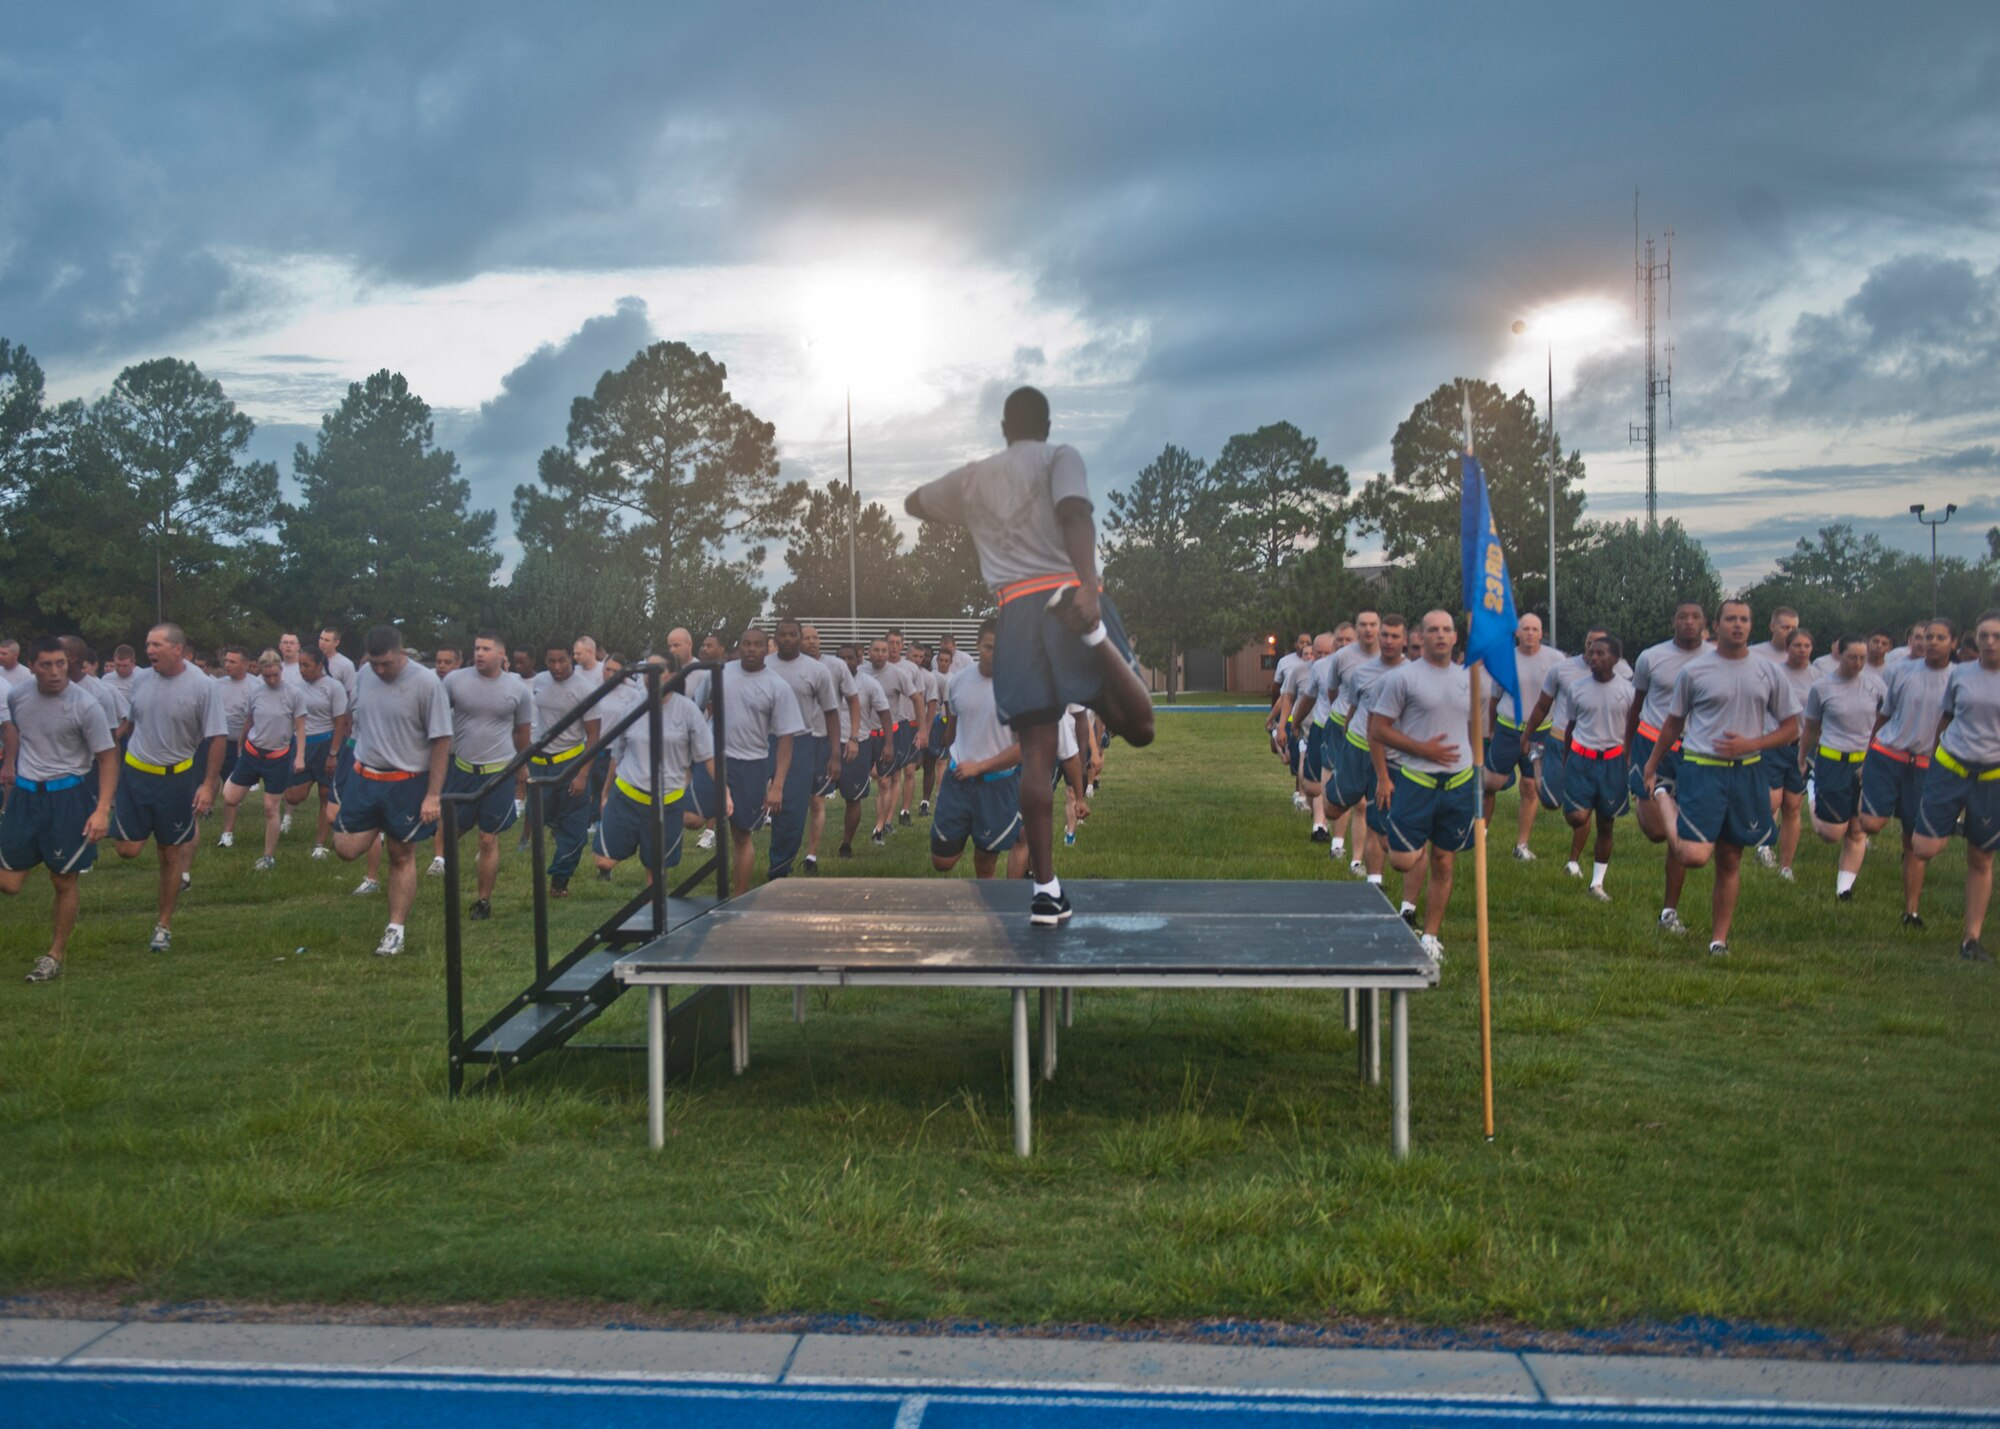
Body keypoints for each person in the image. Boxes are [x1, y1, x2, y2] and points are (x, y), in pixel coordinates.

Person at [905, 385, 1154, 925]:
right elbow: (1073, 512)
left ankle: (1046, 890)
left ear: (1003, 428)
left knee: (1036, 753)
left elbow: (914, 502)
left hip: (1015, 612)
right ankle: (1091, 637)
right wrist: (1088, 586)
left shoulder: (975, 477)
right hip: (1067, 593)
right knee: (1141, 728)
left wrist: (975, 511)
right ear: (1045, 424)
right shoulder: (1061, 456)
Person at [1641, 599, 1800, 956]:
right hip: (1702, 769)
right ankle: (1665, 796)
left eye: (1744, 619)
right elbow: (1673, 723)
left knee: (1730, 858)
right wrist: (1652, 765)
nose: (1738, 625)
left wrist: (1753, 743)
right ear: (1717, 624)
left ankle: (1718, 940)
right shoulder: (1695, 671)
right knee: (1693, 855)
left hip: (1747, 773)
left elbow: (1792, 727)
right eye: (1731, 619)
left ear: (1752, 625)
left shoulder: (1768, 671)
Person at [1, 637, 119, 982]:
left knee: (62, 878)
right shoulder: (18, 696)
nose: (55, 672)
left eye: (60, 664)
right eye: (46, 665)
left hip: (67, 798)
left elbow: (108, 758)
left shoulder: (86, 706)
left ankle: (54, 955)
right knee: (9, 883)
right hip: (24, 796)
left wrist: (102, 809)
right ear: (32, 667)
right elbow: (25, 735)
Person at [332, 625, 454, 957]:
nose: (380, 670)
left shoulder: (426, 683)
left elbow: (442, 740)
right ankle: (383, 825)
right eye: (375, 663)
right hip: (365, 776)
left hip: (407, 781)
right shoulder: (365, 674)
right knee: (344, 848)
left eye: (386, 663)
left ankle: (395, 930)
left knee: (401, 854)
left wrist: (432, 795)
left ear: (401, 653)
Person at [112, 623, 228, 952]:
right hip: (135, 774)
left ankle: (163, 924)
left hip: (176, 779)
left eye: (157, 645)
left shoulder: (203, 687)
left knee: (169, 854)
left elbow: (217, 737)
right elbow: (132, 721)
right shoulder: (141, 679)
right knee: (127, 849)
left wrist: (207, 785)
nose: (149, 650)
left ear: (177, 649)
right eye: (148, 644)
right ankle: (151, 825)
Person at [1367, 610, 1474, 962]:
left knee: (1444, 860)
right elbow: (1379, 729)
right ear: (1422, 637)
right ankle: (1413, 853)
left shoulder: (1470, 678)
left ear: (1455, 637)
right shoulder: (1404, 679)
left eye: (1446, 629)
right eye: (1432, 630)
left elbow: (1478, 725)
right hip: (1416, 780)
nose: (1440, 635)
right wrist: (1422, 749)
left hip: (1459, 782)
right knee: (1403, 860)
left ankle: (1430, 936)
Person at [1912, 609, 2000, 963]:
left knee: (1981, 857)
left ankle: (1971, 940)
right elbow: (1945, 718)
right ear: (1974, 640)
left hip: (1992, 777)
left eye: (1997, 636)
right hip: (1950, 767)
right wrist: (1933, 758)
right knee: (1925, 849)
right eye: (1984, 636)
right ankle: (1953, 821)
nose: (1991, 642)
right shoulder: (1961, 673)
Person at [1859, 618, 1957, 931]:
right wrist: (1868, 749)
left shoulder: (1958, 678)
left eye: (1940, 637)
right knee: (1872, 824)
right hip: (1889, 753)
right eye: (1928, 637)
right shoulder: (1902, 671)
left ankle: (1911, 912)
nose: (1932, 642)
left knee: (1915, 843)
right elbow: (1884, 714)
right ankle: (1861, 794)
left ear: (1952, 643)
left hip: (1926, 764)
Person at [1626, 601, 1711, 936]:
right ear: (1672, 621)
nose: (1688, 622)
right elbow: (1636, 706)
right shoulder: (1651, 657)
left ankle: (1669, 911)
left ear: (1705, 624)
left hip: (1695, 749)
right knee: (1657, 831)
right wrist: (1627, 749)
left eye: (1695, 617)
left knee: (1679, 835)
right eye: (1682, 617)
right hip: (1651, 743)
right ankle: (1653, 795)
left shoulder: (1715, 659)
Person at [591, 656, 715, 883]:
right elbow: (617, 755)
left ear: (673, 675)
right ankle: (630, 842)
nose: (650, 676)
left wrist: (724, 791)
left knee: (655, 869)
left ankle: (654, 912)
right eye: (647, 671)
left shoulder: (687, 711)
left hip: (667, 800)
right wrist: (605, 793)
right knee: (603, 861)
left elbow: (707, 756)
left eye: (657, 671)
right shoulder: (632, 708)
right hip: (627, 794)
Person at [441, 631, 533, 921]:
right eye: (477, 648)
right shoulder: (455, 681)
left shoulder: (518, 690)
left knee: (488, 839)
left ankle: (483, 901)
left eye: (486, 649)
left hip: (498, 773)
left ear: (501, 655)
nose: (479, 653)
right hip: (462, 770)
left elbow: (522, 732)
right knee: (449, 833)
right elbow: (438, 722)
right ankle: (443, 880)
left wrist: (522, 765)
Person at [1328, 616, 1413, 912]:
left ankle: (1374, 880)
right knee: (1331, 808)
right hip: (1355, 746)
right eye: (1384, 635)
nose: (1387, 640)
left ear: (1403, 640)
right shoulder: (1361, 673)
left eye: (1393, 636)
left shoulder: (1411, 675)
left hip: (1390, 758)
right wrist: (1346, 738)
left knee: (1378, 823)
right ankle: (1339, 787)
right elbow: (1350, 706)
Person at [931, 621, 1026, 878]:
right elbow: (955, 713)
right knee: (942, 860)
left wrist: (980, 766)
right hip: (957, 780)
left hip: (997, 784)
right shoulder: (959, 681)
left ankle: (988, 909)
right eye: (989, 647)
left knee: (985, 862)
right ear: (977, 646)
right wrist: (950, 740)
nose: (995, 653)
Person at [1799, 634, 1887, 901]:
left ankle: (1844, 889)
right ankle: (1813, 788)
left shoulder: (1876, 685)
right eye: (1852, 657)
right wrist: (1802, 757)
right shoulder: (1822, 687)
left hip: (1865, 761)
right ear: (1840, 655)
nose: (1858, 663)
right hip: (1831, 760)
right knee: (1831, 833)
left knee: (1858, 827)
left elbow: (1884, 721)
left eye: (1862, 658)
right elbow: (1812, 727)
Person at [719, 627, 805, 892]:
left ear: (767, 648)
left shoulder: (777, 686)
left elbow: (786, 739)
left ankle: (738, 898)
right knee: (690, 818)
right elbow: (699, 707)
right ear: (740, 646)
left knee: (741, 834)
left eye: (758, 645)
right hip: (716, 759)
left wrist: (777, 785)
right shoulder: (722, 674)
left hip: (751, 764)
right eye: (747, 644)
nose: (752, 649)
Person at [1554, 634, 1635, 901]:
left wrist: (1628, 761)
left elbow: (1632, 730)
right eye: (1591, 652)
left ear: (1615, 659)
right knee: (1577, 817)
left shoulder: (1627, 691)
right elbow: (1571, 727)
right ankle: (1576, 844)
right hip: (1581, 759)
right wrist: (1567, 758)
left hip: (1612, 762)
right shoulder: (1577, 689)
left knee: (1606, 824)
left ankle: (1597, 883)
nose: (1594, 657)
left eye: (1601, 653)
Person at [1481, 614, 1565, 861]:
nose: (1530, 633)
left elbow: (1563, 696)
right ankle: (1480, 834)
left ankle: (1522, 845)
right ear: (1517, 633)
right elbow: (1495, 698)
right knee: (1490, 785)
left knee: (1530, 787)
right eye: (1525, 629)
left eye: (1534, 629)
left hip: (1540, 731)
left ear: (1541, 633)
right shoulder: (1505, 659)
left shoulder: (1555, 660)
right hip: (1507, 728)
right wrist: (1493, 728)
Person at [765, 617, 839, 879]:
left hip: (800, 741)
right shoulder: (763, 665)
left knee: (792, 807)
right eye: (782, 635)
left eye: (792, 635)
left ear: (799, 637)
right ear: (775, 638)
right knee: (751, 803)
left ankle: (779, 867)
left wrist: (835, 754)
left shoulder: (816, 670)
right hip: (762, 740)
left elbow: (831, 712)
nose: (787, 639)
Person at [528, 639, 602, 897]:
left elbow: (594, 735)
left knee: (575, 827)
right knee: (542, 819)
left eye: (562, 660)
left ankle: (559, 880)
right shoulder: (538, 682)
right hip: (539, 764)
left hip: (571, 761)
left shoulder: (584, 689)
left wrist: (583, 773)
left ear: (572, 658)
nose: (557, 666)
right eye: (551, 661)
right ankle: (555, 829)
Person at [221, 650, 307, 870]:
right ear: (260, 672)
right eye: (267, 676)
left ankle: (268, 857)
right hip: (252, 753)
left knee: (270, 807)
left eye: (275, 675)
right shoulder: (256, 692)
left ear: (281, 671)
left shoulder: (294, 694)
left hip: (278, 757)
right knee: (229, 798)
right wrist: (240, 745)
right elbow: (249, 721)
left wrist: (299, 757)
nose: (271, 680)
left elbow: (300, 727)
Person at [1758, 626, 1819, 878]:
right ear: (1788, 648)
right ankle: (1762, 845)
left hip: (1800, 749)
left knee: (1793, 807)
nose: (1802, 650)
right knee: (1772, 801)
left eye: (1806, 646)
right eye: (1797, 645)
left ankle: (1786, 866)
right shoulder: (1774, 674)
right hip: (1773, 744)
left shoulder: (1818, 677)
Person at [802, 624, 863, 871]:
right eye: (806, 638)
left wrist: (854, 737)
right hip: (794, 738)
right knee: (793, 799)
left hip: (824, 739)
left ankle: (811, 856)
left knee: (817, 800)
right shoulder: (786, 667)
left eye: (816, 637)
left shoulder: (835, 666)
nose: (812, 641)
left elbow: (853, 700)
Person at [288, 645, 350, 859]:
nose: (302, 670)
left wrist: (333, 754)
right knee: (294, 795)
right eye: (300, 666)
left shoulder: (333, 687)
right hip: (302, 745)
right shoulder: (296, 687)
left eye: (306, 665)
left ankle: (319, 844)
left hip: (326, 744)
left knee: (325, 795)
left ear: (319, 665)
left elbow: (341, 721)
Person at [839, 642, 894, 857]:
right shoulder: (826, 682)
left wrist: (888, 744)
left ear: (858, 660)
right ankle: (810, 853)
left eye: (850, 658)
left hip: (859, 744)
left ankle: (846, 843)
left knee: (853, 798)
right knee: (816, 797)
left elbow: (885, 714)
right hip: (829, 744)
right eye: (841, 658)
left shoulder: (869, 684)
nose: (845, 663)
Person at [866, 636, 919, 845]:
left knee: (885, 780)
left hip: (889, 734)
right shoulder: (860, 672)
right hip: (862, 734)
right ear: (869, 652)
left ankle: (880, 827)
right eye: (876, 650)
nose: (880, 654)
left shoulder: (898, 674)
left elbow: (917, 697)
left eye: (883, 650)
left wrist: (922, 730)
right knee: (868, 783)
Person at [211, 646, 255, 848]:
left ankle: (227, 832)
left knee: (231, 791)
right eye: (226, 661)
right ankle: (210, 815)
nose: (227, 665)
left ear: (245, 664)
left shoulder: (256, 686)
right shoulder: (217, 686)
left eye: (232, 661)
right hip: (219, 742)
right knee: (213, 779)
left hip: (244, 745)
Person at [319, 627, 359, 703]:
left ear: (336, 643)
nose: (322, 643)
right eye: (321, 639)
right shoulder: (313, 661)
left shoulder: (346, 664)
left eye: (327, 640)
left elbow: (350, 692)